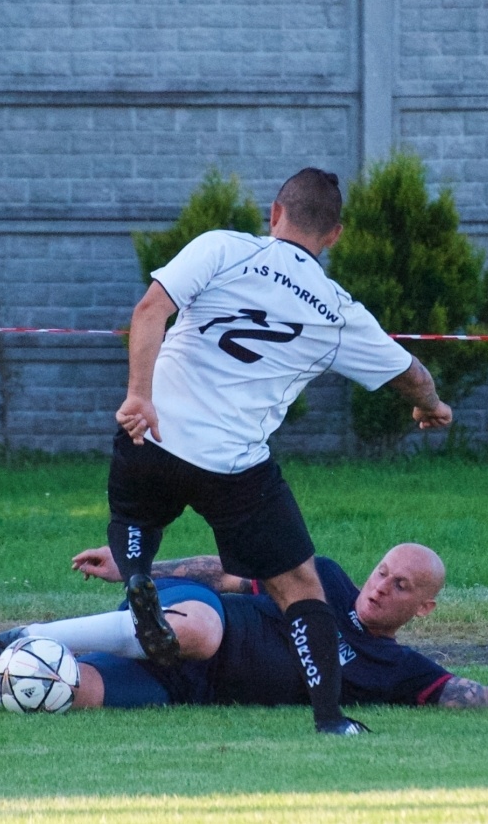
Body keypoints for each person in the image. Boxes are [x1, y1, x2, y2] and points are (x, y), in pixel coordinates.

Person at [97, 167, 453, 735]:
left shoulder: (222, 247)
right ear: (334, 236)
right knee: (300, 586)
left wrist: (140, 395)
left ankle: (138, 572)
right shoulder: (338, 311)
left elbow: (148, 312)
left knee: (135, 513)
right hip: (233, 465)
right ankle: (330, 718)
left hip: (155, 434)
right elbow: (409, 374)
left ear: (274, 213)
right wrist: (431, 405)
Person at [0, 544, 488, 714]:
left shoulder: (398, 670)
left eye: (402, 586)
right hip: (203, 620)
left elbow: (481, 698)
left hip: (190, 686)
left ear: (421, 608)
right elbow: (225, 574)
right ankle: (30, 629)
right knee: (200, 629)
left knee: (59, 691)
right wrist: (137, 564)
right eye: (383, 571)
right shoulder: (327, 580)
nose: (380, 585)